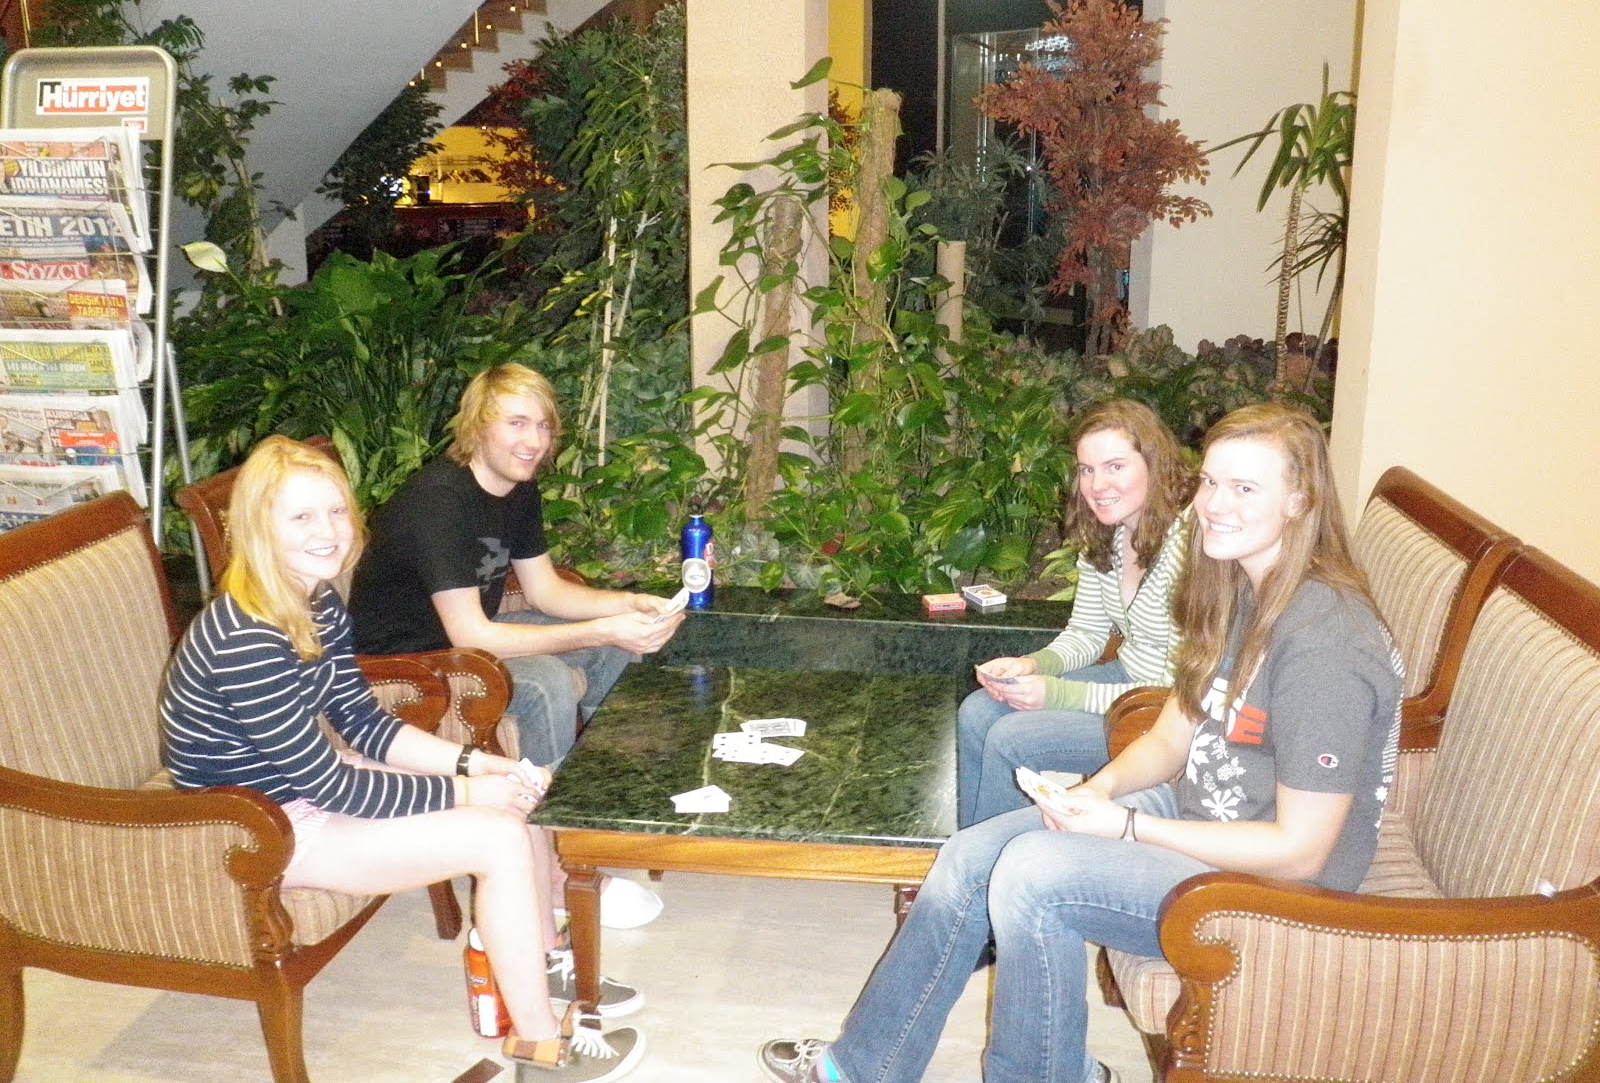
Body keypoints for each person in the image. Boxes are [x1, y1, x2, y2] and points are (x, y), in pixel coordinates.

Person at [758, 403, 1404, 1083]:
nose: (1215, 505)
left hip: (1271, 890)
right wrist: (1096, 792)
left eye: (1245, 488)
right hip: (1201, 817)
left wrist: (1125, 828)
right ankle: (862, 1069)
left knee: (1032, 876)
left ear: (1300, 499)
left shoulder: (1325, 645)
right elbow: (1172, 734)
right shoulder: (1241, 588)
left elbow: (1300, 851)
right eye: (1212, 482)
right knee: (971, 854)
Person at [161, 437, 646, 1081]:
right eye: (301, 517)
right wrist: (466, 794)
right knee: (497, 838)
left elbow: (362, 722)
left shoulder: (314, 600)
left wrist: (474, 766)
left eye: (336, 511)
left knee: (518, 801)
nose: (328, 532)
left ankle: (539, 959)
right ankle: (539, 1048)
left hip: (292, 791)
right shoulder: (246, 636)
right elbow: (330, 785)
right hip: (249, 825)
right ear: (258, 527)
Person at [347, 364, 683, 928]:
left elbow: (545, 591)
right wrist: (602, 628)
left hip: (462, 642)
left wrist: (626, 605)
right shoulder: (439, 500)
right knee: (546, 682)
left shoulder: (517, 488)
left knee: (618, 649)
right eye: (518, 423)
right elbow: (473, 637)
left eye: (544, 426)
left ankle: (594, 825)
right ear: (478, 426)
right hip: (402, 666)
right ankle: (550, 874)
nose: (534, 441)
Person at [960, 399, 1195, 827]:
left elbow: (1177, 687)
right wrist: (1033, 665)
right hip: (1126, 679)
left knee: (1011, 739)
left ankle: (1004, 858)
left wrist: (1057, 694)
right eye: (1087, 470)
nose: (1097, 484)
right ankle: (973, 849)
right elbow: (1087, 632)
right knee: (977, 713)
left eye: (1115, 466)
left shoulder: (1190, 549)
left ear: (1155, 465)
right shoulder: (1106, 533)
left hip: (1161, 712)